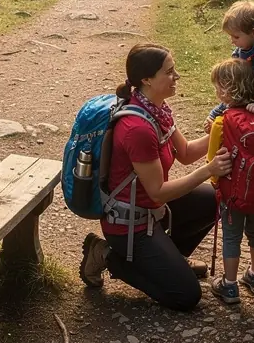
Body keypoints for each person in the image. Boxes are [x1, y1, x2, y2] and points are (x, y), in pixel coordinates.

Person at [79, 43, 233, 311]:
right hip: (129, 226)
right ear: (147, 80)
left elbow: (184, 153)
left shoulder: (157, 109)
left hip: (153, 212)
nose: (177, 76)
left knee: (215, 198)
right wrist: (209, 171)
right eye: (170, 72)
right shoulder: (137, 127)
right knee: (185, 296)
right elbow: (158, 191)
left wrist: (224, 132)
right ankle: (104, 254)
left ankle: (169, 258)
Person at [206, 59, 254, 304]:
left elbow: (212, 158)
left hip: (233, 192)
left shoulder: (223, 121)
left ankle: (229, 286)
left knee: (232, 237)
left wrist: (214, 182)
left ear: (226, 90)